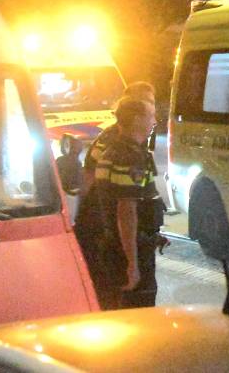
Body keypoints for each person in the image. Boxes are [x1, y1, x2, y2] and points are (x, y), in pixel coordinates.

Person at [74, 96, 164, 309]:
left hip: (120, 246)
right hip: (127, 251)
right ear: (136, 120)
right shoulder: (128, 157)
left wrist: (153, 233)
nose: (154, 121)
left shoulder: (117, 150)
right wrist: (132, 263)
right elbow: (126, 211)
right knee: (137, 312)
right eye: (150, 115)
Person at [81, 81, 155, 196]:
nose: (151, 105)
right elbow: (90, 173)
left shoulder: (136, 139)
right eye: (146, 101)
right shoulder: (112, 137)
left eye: (152, 102)